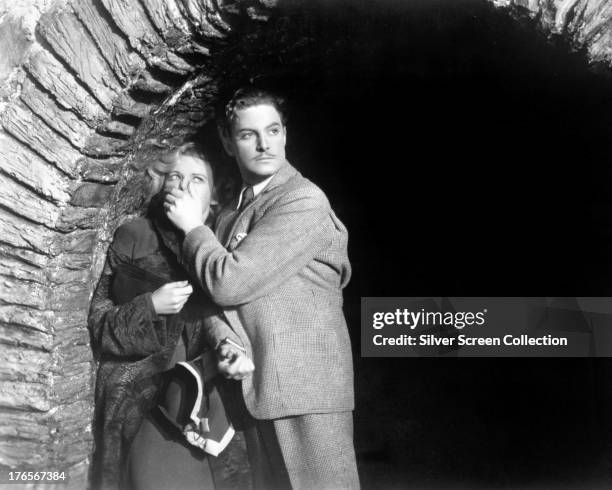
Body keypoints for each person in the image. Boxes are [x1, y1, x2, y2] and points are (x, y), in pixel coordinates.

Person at [164, 88, 359, 489]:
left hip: (307, 392)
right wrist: (227, 344)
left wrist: (192, 228)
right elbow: (212, 304)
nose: (264, 143)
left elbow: (229, 281)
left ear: (285, 134)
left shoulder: (302, 200)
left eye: (273, 130)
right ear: (226, 141)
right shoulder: (235, 212)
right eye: (248, 134)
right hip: (258, 388)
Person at [88, 143, 252, 490]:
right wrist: (150, 306)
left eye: (197, 179)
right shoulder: (136, 236)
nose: (183, 185)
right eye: (175, 176)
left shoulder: (230, 246)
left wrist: (231, 348)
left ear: (213, 197)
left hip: (214, 404)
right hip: (149, 406)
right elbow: (101, 325)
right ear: (160, 183)